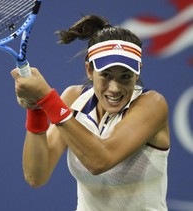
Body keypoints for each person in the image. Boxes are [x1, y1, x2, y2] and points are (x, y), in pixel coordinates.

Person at [11, 15, 170, 211]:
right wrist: (35, 109)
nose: (114, 88)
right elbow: (36, 175)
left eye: (125, 77)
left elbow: (100, 160)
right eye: (106, 75)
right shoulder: (73, 98)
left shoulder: (152, 104)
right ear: (89, 70)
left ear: (138, 73)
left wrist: (47, 98)